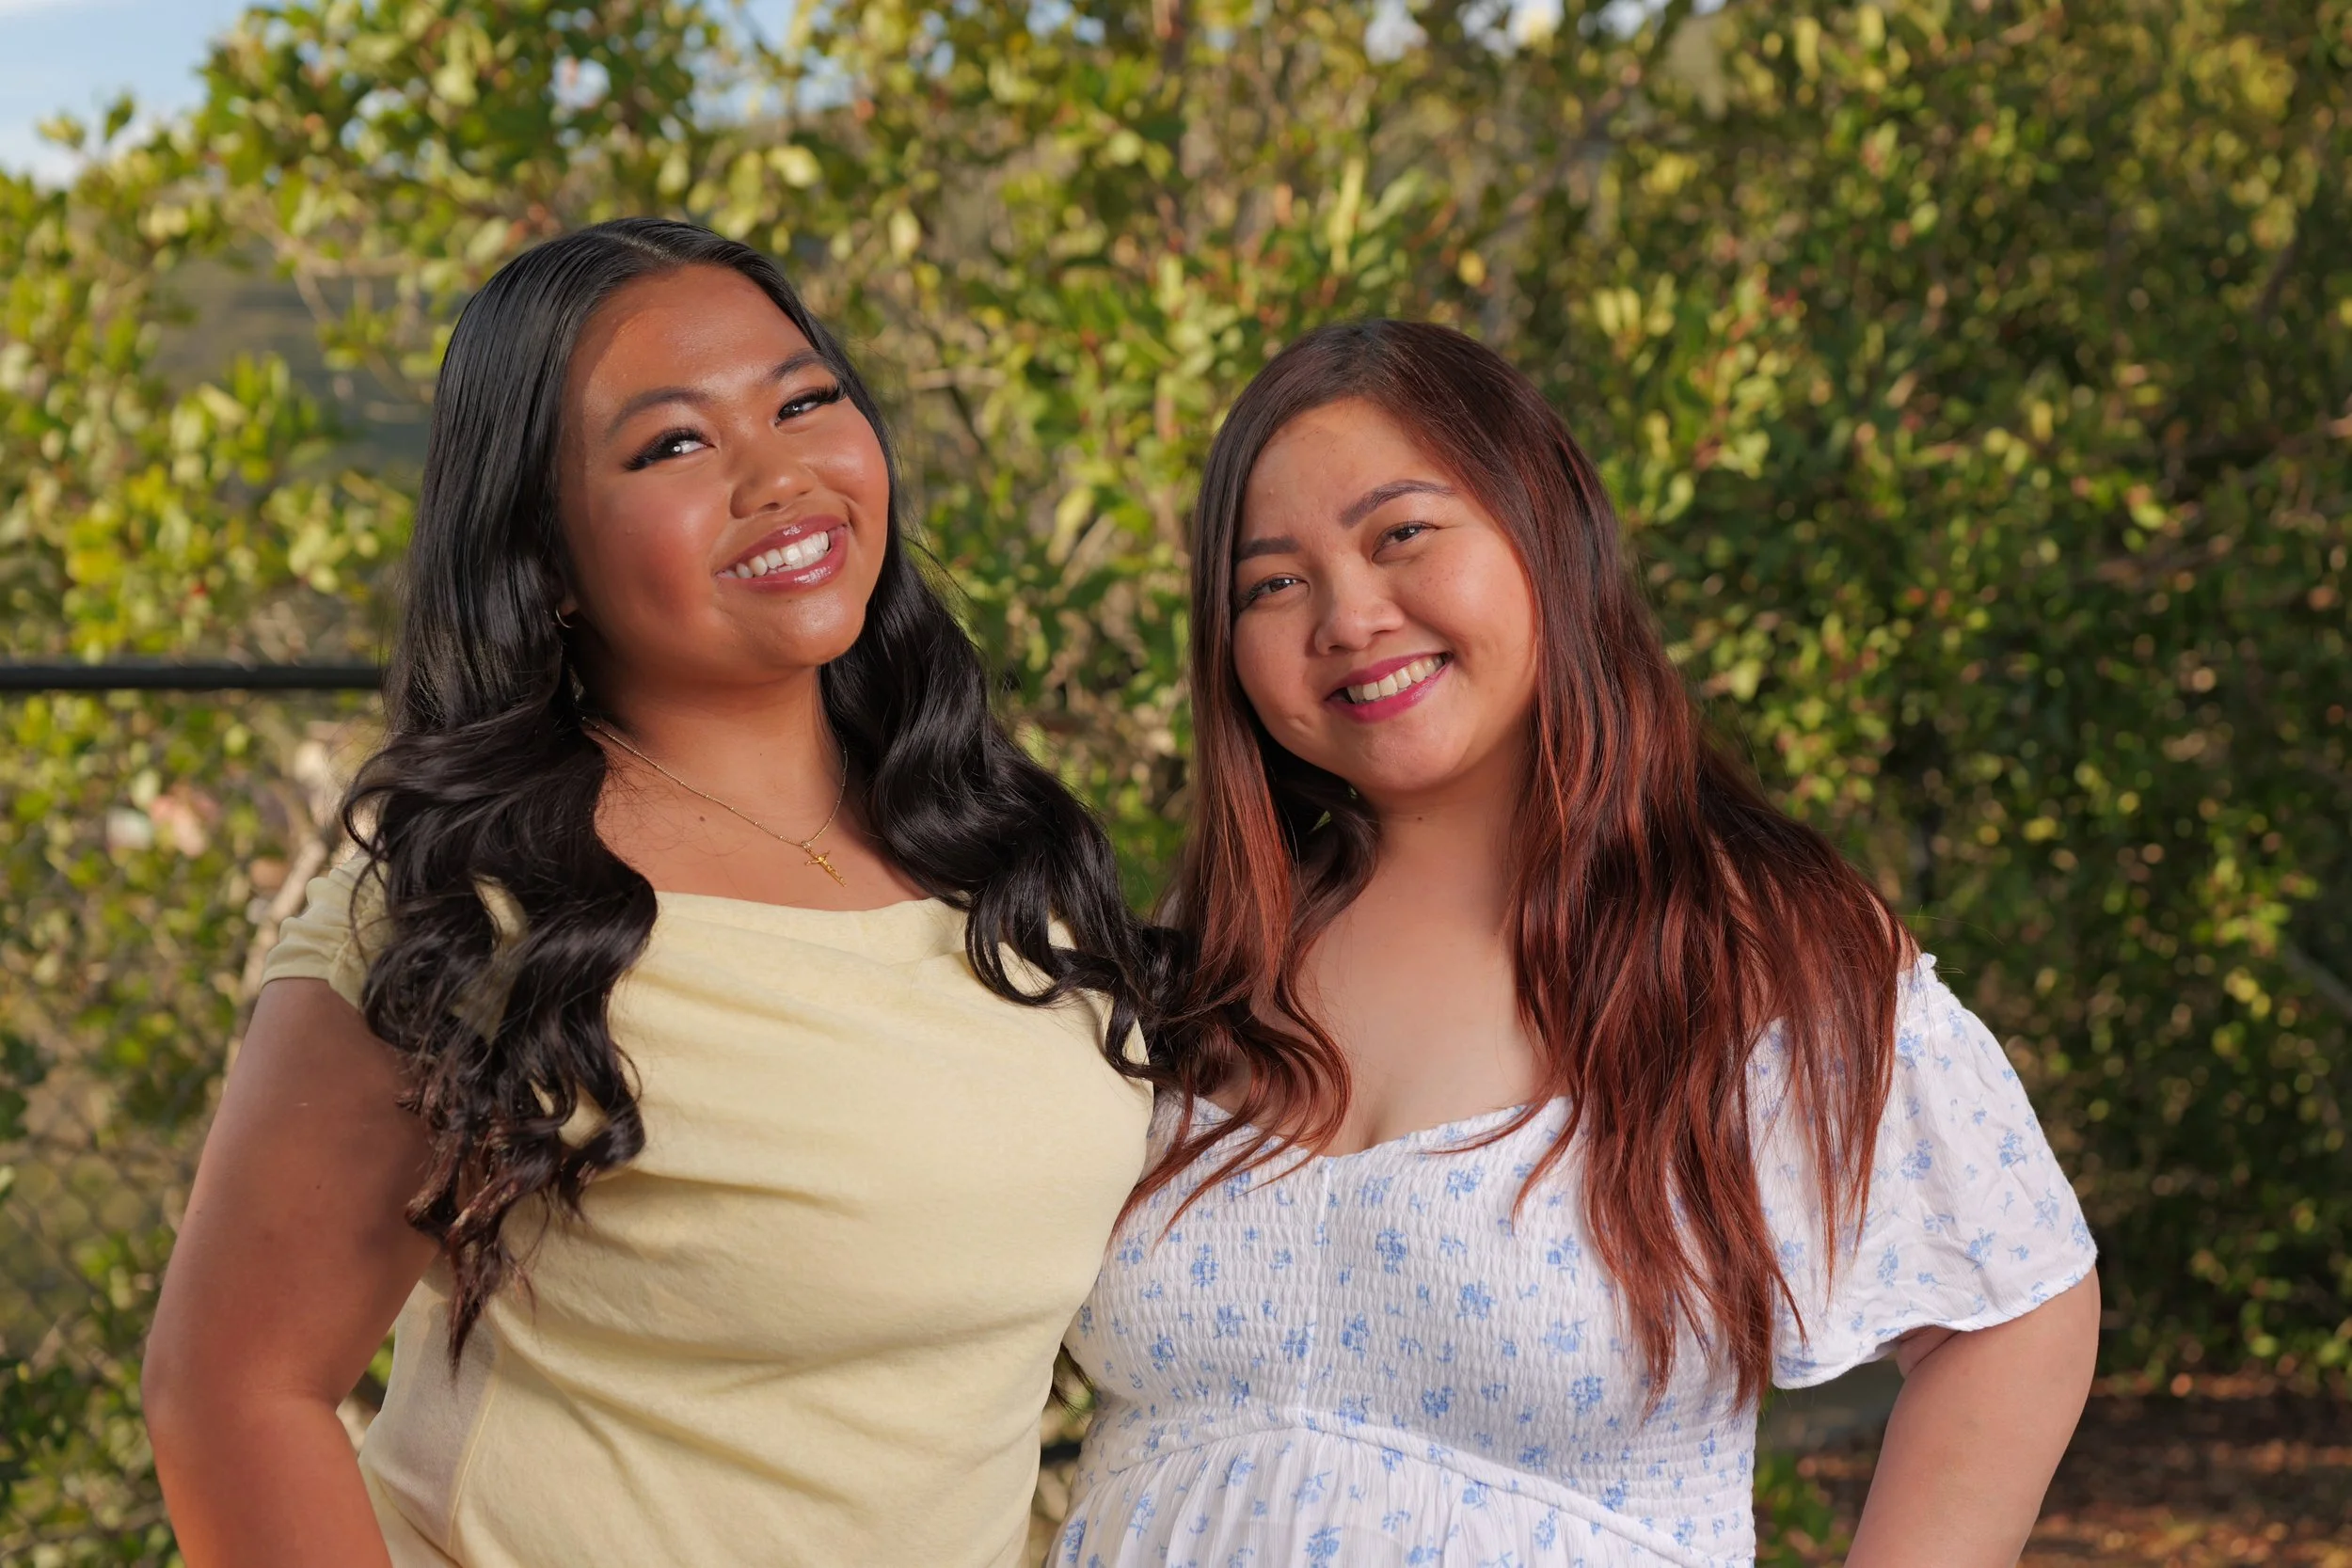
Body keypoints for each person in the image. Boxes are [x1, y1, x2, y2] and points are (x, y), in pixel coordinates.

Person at [142, 218, 1162, 1568]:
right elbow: (231, 1392)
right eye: (673, 444)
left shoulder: (1002, 848)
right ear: (547, 560)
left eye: (806, 401)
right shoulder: (470, 903)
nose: (778, 474)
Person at [1057, 321, 2100, 1566]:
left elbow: (2016, 1305)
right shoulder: (1201, 954)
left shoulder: (1748, 943)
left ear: (1542, 530)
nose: (1346, 614)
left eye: (1400, 535)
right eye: (1272, 582)